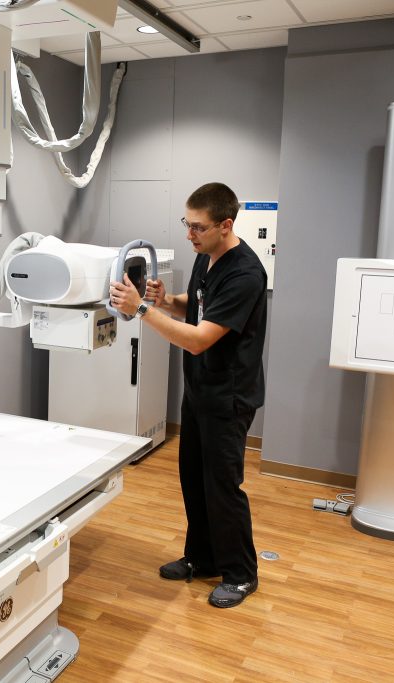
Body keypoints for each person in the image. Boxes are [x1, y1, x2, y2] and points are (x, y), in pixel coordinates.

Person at [109, 182, 267, 608]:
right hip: (199, 392)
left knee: (222, 487)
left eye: (197, 227)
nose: (189, 234)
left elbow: (199, 339)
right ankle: (202, 558)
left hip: (228, 397)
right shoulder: (206, 256)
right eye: (187, 223)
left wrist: (142, 309)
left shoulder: (246, 273)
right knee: (193, 482)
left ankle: (240, 573)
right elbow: (195, 308)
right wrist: (168, 301)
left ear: (225, 225)